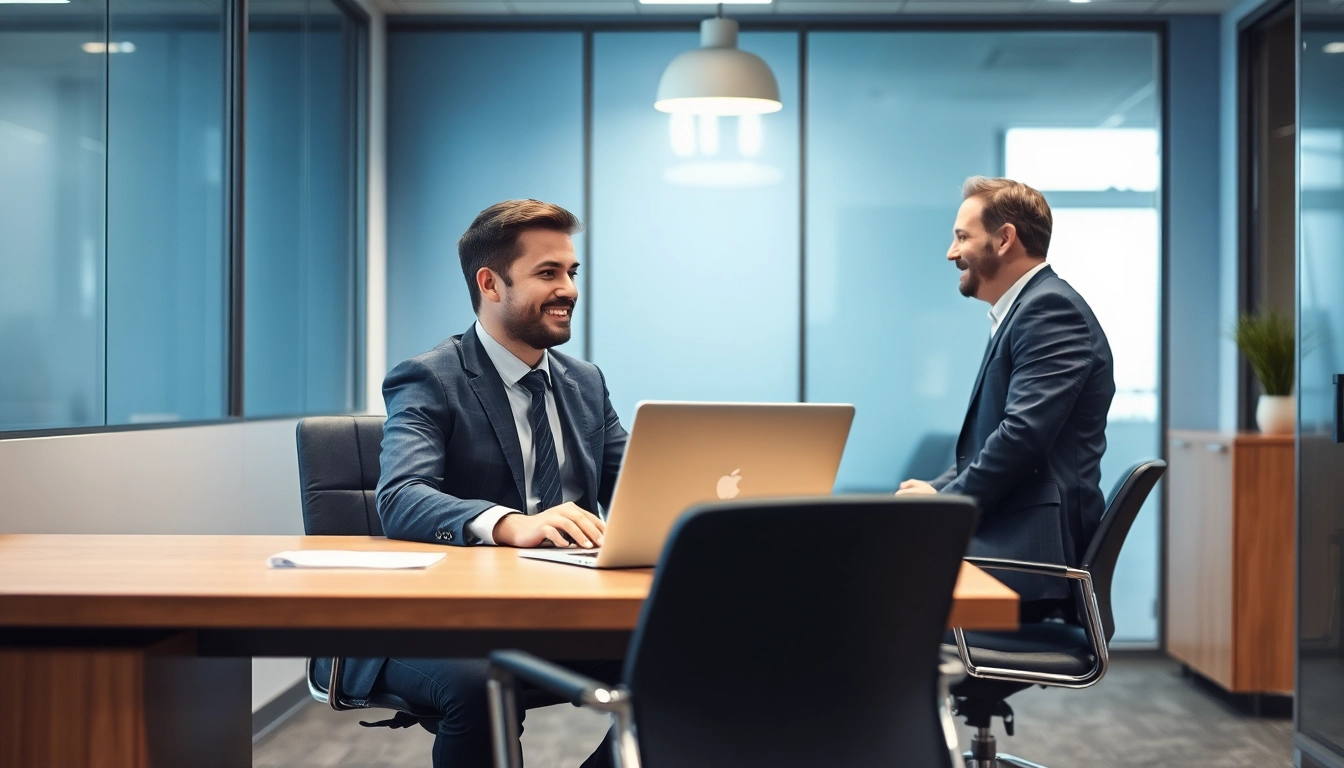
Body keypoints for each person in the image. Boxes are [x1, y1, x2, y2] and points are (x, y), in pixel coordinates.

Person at [325, 199, 627, 768]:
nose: (569, 288)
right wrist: (514, 525)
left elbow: (637, 482)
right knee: (479, 684)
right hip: (437, 622)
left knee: (689, 657)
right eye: (548, 273)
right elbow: (401, 498)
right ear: (490, 283)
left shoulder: (584, 383)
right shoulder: (430, 377)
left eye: (571, 272)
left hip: (556, 611)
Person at [897, 177, 1115, 621]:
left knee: (877, 590)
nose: (951, 252)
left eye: (962, 237)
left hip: (1033, 557)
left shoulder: (1050, 310)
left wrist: (946, 507)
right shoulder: (1024, 310)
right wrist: (938, 490)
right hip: (1015, 537)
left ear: (1004, 239)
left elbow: (1022, 437)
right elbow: (997, 439)